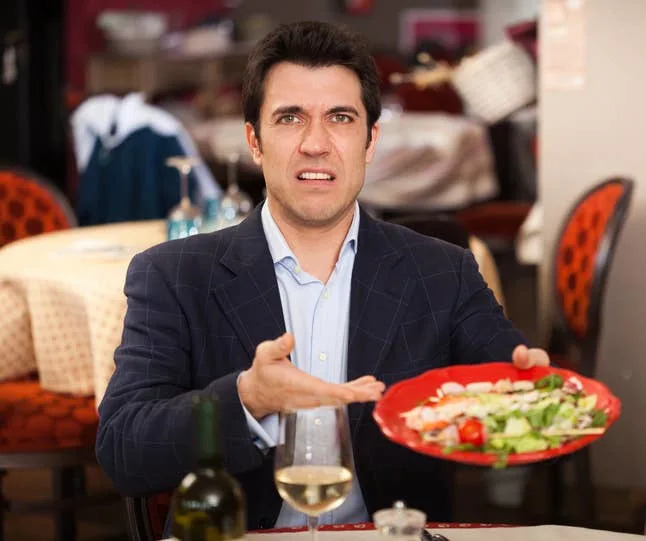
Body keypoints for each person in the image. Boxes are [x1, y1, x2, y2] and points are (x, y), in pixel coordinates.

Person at [96, 20, 549, 531]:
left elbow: (520, 415)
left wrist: (528, 395)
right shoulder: (172, 275)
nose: (315, 143)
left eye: (340, 117)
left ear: (370, 140)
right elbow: (123, 450)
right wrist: (248, 398)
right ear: (255, 141)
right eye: (290, 118)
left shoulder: (443, 271)